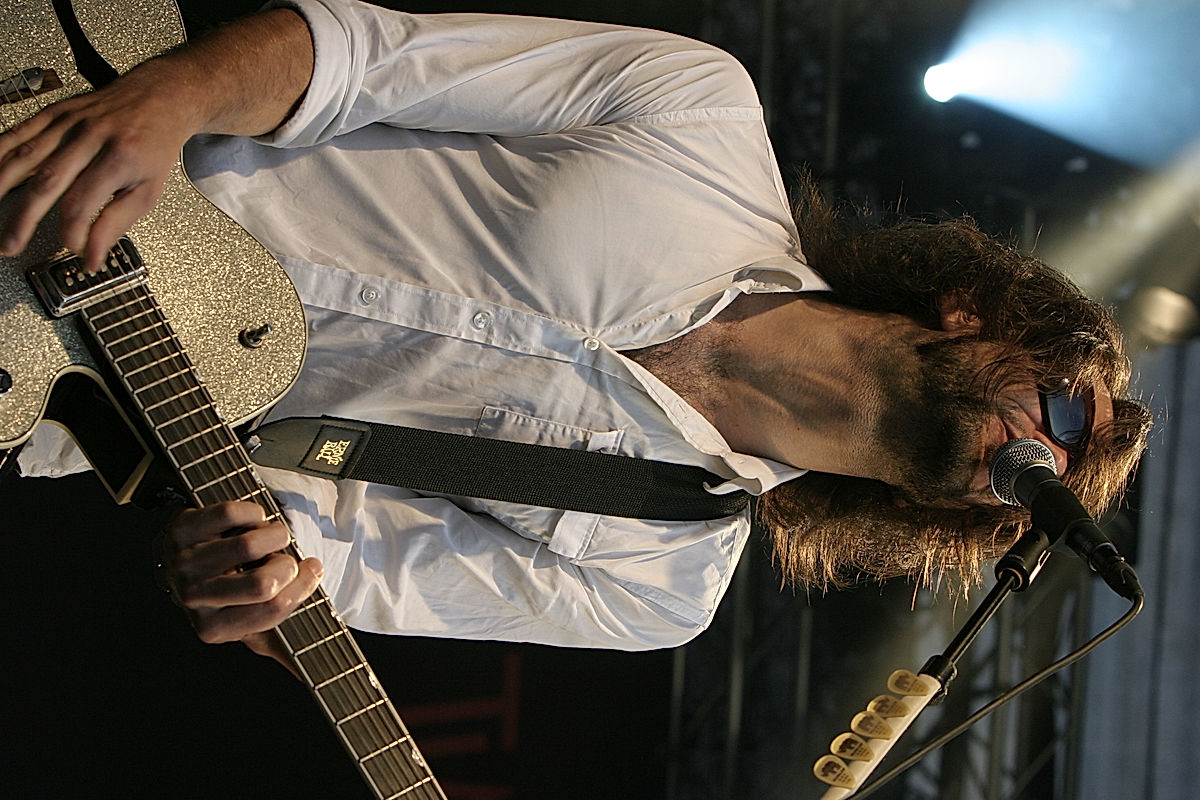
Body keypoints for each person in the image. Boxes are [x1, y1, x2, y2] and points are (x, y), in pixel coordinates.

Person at [3, 0, 1150, 668]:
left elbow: (321, 559)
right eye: (1060, 411)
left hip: (44, 372)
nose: (1036, 463)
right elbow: (361, 58)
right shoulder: (700, 112)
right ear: (979, 314)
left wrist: (249, 582)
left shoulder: (659, 581)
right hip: (61, 134)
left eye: (1038, 490)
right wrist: (168, 101)